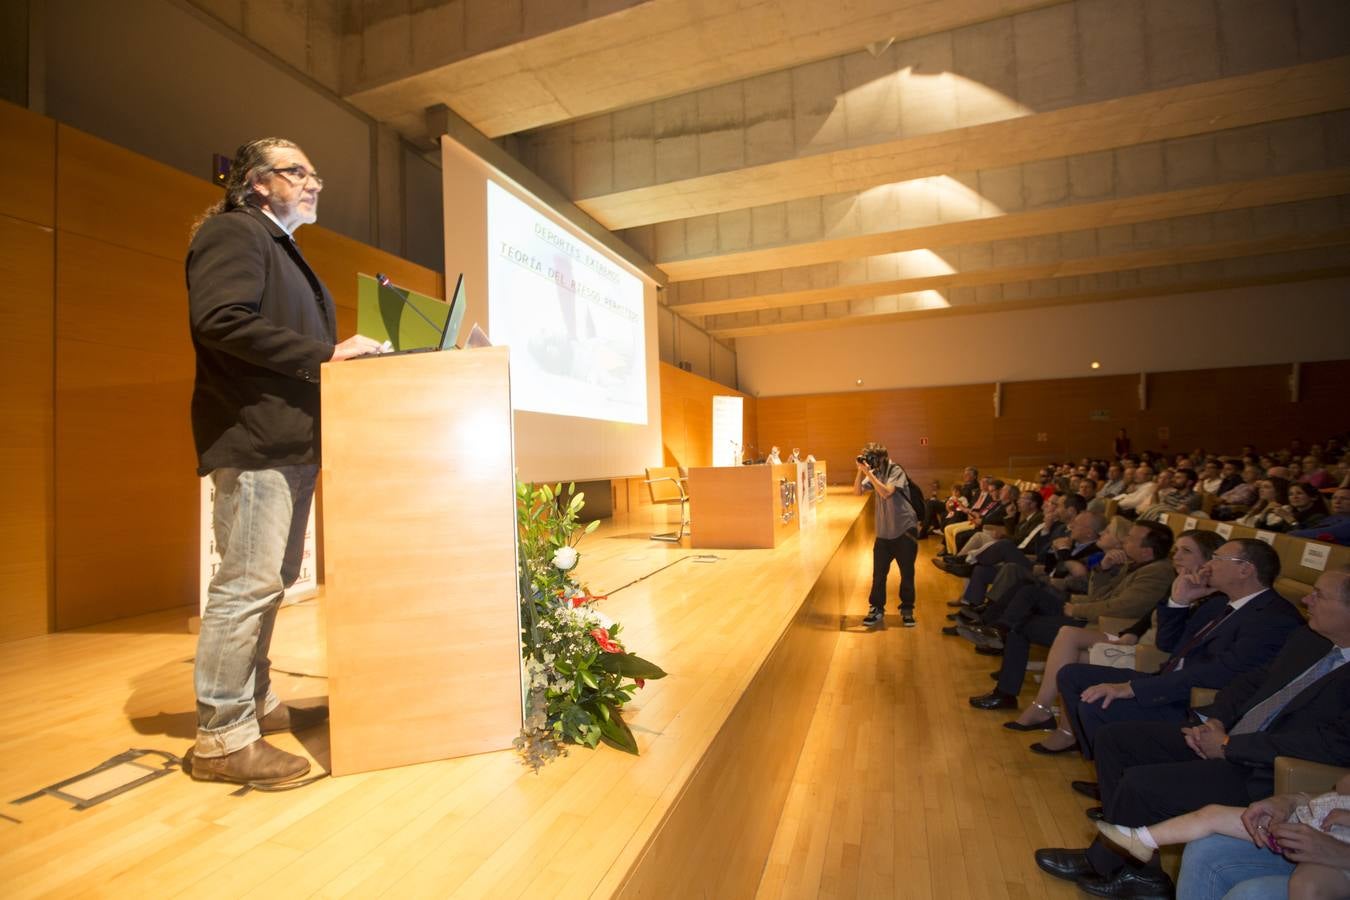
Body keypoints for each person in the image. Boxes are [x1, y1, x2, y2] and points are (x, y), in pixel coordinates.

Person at [188, 137, 384, 785]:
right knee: (245, 587)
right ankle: (220, 738)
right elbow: (219, 319)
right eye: (296, 170)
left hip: (292, 445)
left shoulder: (282, 248)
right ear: (256, 182)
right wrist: (325, 355)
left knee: (268, 586)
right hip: (254, 442)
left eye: (314, 170)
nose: (313, 182)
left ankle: (256, 703)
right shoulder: (235, 233)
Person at [1034, 567, 1350, 899]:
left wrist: (1230, 746)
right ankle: (1137, 868)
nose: (1306, 599)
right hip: (1230, 738)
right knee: (1116, 740)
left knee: (1141, 784)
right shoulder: (1311, 641)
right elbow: (1251, 683)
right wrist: (1216, 721)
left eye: (1319, 594)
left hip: (1269, 770)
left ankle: (1107, 862)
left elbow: (1331, 746)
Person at [1053, 538, 1303, 758]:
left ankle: (1119, 768)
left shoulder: (1272, 618)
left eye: (1218, 558)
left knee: (1096, 703)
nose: (1209, 564)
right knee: (1071, 675)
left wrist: (1132, 689)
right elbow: (1168, 644)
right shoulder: (1218, 603)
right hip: (1170, 681)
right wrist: (1180, 600)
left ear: (1245, 570)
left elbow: (1220, 673)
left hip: (1194, 700)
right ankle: (1107, 762)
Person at [1003, 530, 1224, 733]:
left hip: (1152, 654)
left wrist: (1079, 608)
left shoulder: (1204, 591)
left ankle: (1056, 722)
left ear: (1210, 559)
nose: (1176, 556)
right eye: (1177, 550)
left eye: (1186, 551)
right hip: (1135, 637)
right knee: (1059, 637)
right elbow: (1131, 606)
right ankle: (1052, 717)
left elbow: (1133, 613)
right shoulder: (1175, 577)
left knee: (1058, 644)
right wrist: (1103, 571)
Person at [1095, 774, 1350, 899]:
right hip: (1316, 826)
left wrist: (1340, 853)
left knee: (1258, 893)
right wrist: (1288, 801)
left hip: (1337, 860)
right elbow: (1341, 788)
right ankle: (1141, 839)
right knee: (1206, 843)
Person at [855, 443, 919, 629]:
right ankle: (876, 608)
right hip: (884, 532)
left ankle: (907, 610)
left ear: (881, 458)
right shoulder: (875, 472)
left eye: (871, 458)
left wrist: (869, 474)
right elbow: (857, 492)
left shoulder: (895, 469)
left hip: (904, 530)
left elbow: (886, 493)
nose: (869, 462)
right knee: (879, 574)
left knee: (907, 573)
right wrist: (860, 471)